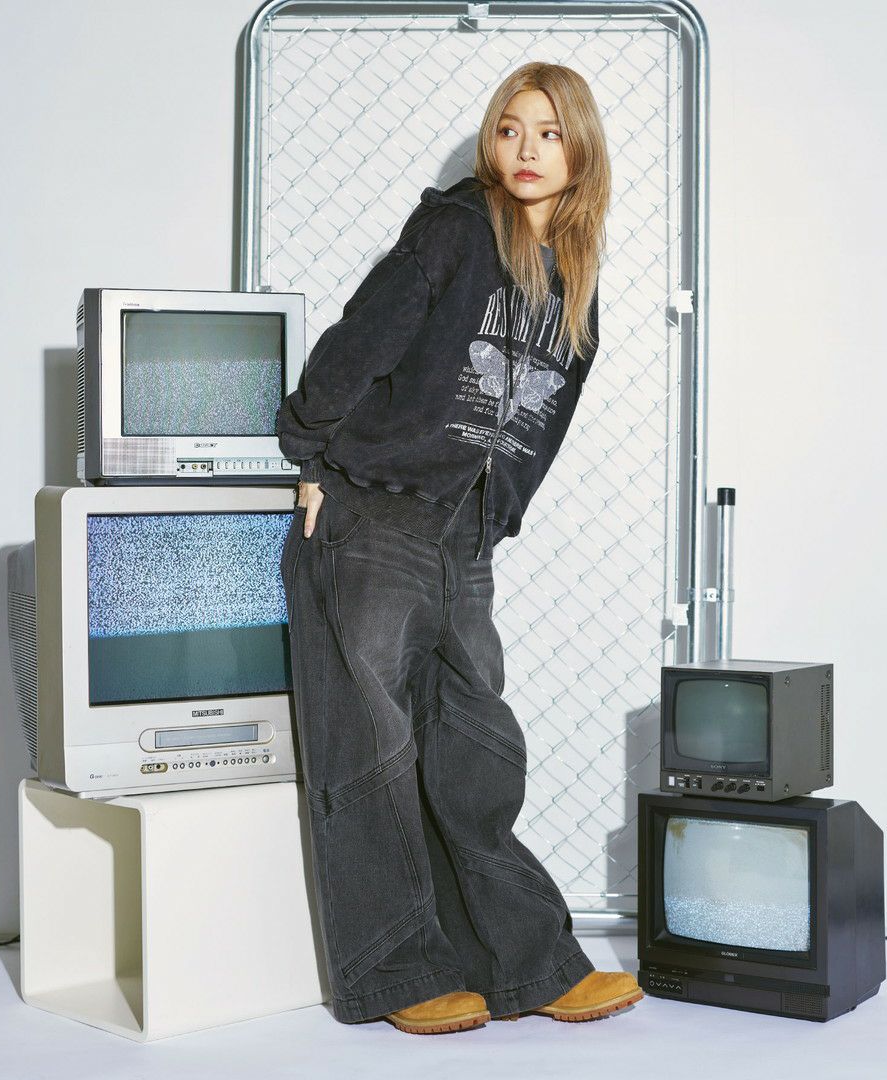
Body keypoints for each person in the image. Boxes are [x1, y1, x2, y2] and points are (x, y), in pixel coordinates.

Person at [275, 61, 643, 1035]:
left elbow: (541, 429)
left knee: (477, 753)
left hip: (462, 540)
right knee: (373, 756)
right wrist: (312, 456)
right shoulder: (455, 229)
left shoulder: (576, 288)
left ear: (581, 149)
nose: (526, 150)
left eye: (549, 133)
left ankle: (529, 965)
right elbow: (363, 339)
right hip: (374, 517)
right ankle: (399, 975)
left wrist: (497, 515)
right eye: (510, 129)